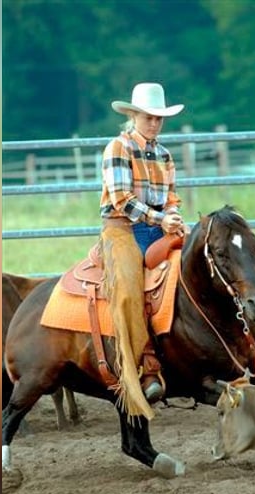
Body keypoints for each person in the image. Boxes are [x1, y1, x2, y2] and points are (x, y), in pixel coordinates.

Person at [99, 82, 185, 419]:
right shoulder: (117, 148)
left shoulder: (164, 154)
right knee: (129, 288)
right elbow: (121, 199)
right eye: (148, 117)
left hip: (157, 225)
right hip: (122, 228)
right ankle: (144, 363)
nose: (154, 123)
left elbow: (172, 195)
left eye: (159, 118)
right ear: (133, 116)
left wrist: (174, 216)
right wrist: (161, 219)